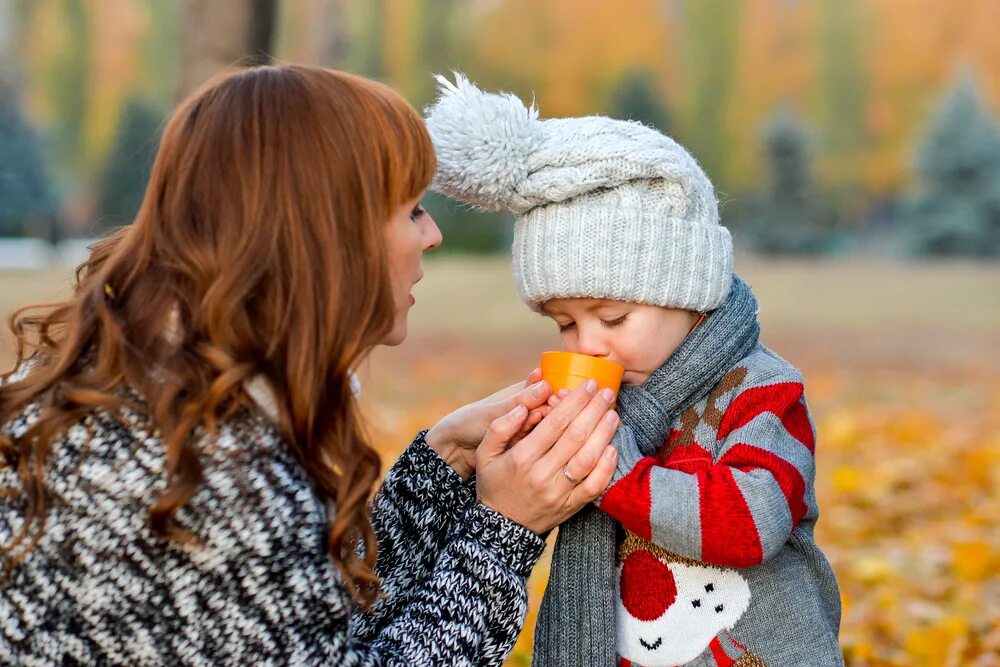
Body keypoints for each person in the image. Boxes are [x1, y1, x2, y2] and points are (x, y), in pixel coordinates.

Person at [0, 65, 622, 665]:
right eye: (409, 210)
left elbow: (306, 610)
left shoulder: (156, 396)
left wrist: (439, 467)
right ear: (330, 239)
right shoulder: (210, 474)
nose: (431, 234)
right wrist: (505, 530)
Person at [426, 74, 843, 667]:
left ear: (692, 298)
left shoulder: (760, 392)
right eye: (564, 325)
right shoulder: (612, 399)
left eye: (613, 317)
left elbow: (751, 523)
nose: (588, 344)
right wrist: (531, 459)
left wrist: (608, 467)